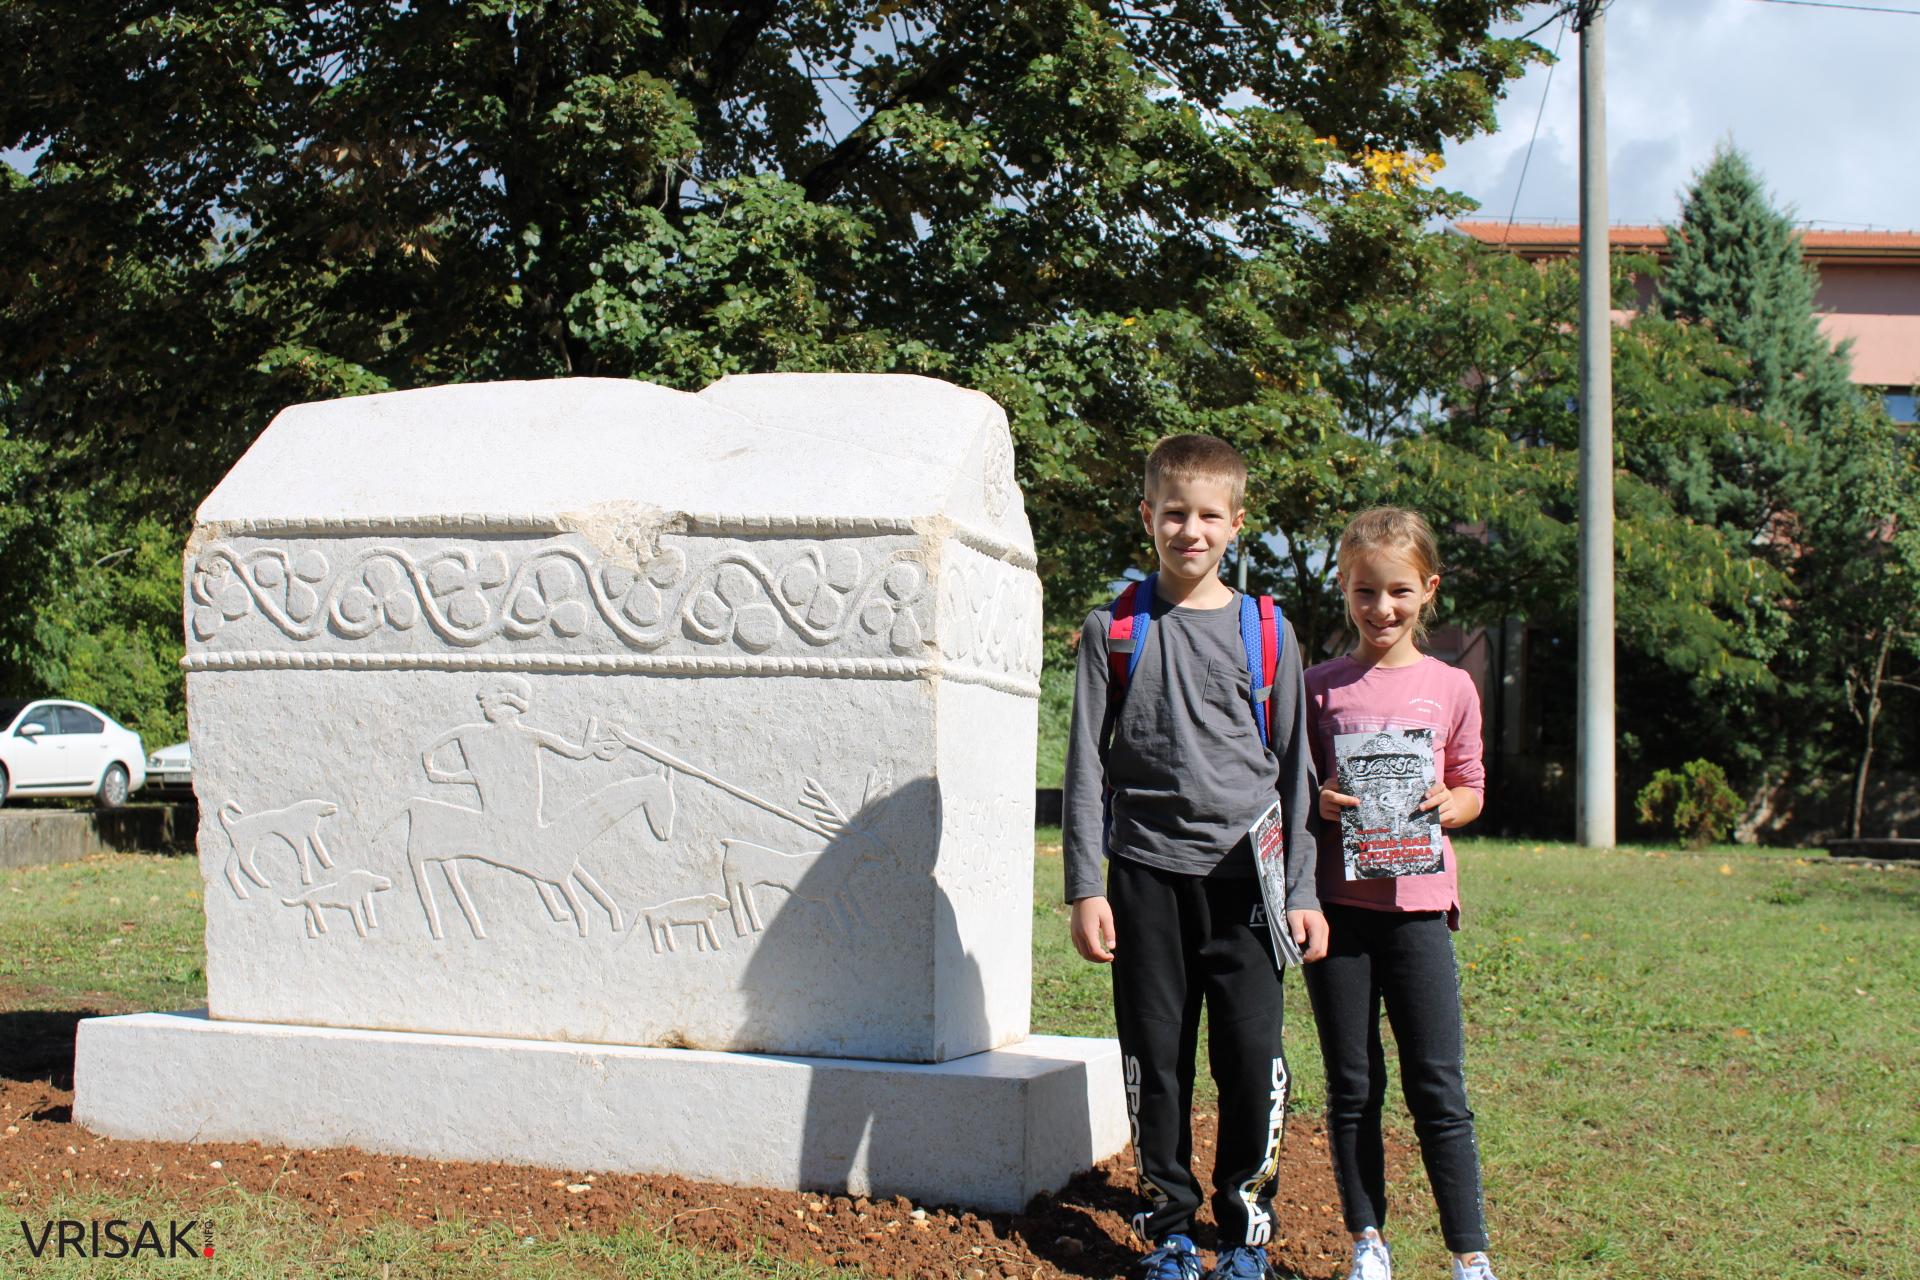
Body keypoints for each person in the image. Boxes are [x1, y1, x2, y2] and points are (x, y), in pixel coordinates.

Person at [1062, 435, 1327, 1280]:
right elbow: (1084, 769)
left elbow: (1297, 773)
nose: (1190, 530)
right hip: (1144, 876)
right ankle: (1169, 1225)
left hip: (1248, 879)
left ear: (1236, 525)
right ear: (1148, 517)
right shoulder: (1115, 629)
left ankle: (1245, 1227)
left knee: (1254, 1060)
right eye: (1173, 513)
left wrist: (1305, 891)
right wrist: (1083, 886)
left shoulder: (1269, 631)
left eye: (1209, 515)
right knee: (1157, 1057)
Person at [1302, 507, 1497, 1280]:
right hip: (1340, 913)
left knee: (1438, 1087)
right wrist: (1318, 800)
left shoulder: (1451, 687)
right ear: (1344, 591)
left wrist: (1456, 804)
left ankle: (1469, 1254)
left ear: (1429, 590)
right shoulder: (1318, 689)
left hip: (1419, 912)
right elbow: (1295, 791)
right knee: (1353, 1086)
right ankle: (1367, 1242)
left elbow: (1474, 785)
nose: (1381, 610)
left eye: (1398, 593)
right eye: (1363, 593)